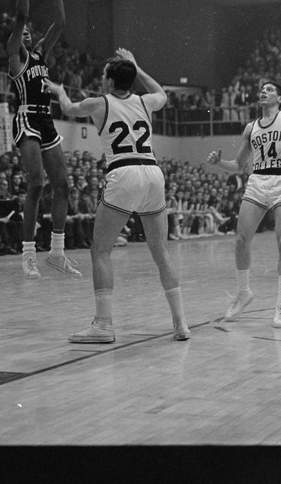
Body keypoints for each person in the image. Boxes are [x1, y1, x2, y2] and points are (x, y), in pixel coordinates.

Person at [46, 48, 191, 343]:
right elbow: (161, 92)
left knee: (100, 251)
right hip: (153, 174)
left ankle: (103, 324)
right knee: (161, 252)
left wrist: (60, 91)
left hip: (124, 173)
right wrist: (137, 67)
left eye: (103, 76)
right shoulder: (145, 101)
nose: (101, 80)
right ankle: (181, 322)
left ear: (110, 81)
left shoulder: (98, 103)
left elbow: (68, 109)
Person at [207, 81, 281, 329]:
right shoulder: (251, 128)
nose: (263, 91)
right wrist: (219, 162)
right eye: (261, 89)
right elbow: (237, 165)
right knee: (241, 239)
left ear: (280, 98)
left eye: (270, 89)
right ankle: (243, 292)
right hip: (258, 180)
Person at [6, 0, 80, 279]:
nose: (25, 31)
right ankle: (27, 253)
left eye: (28, 32)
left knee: (63, 185)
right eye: (21, 30)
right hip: (25, 117)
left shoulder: (39, 56)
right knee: (36, 184)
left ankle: (57, 253)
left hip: (46, 119)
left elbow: (61, 24)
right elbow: (21, 16)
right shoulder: (16, 57)